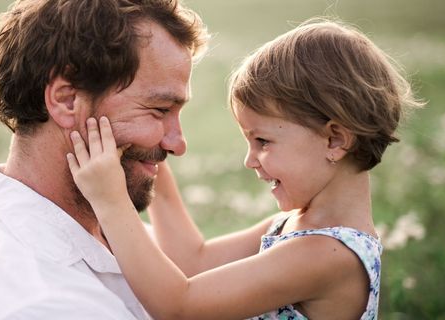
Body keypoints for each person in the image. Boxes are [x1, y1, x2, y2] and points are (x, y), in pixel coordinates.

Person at [67, 19, 424, 319]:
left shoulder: (327, 255)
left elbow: (179, 306)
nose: (249, 160)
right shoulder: (296, 226)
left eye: (263, 142)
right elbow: (193, 261)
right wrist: (151, 157)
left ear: (334, 140)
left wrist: (112, 201)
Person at [0, 0, 208, 318]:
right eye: (159, 109)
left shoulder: (103, 226)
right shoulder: (41, 305)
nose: (178, 144)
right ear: (66, 100)